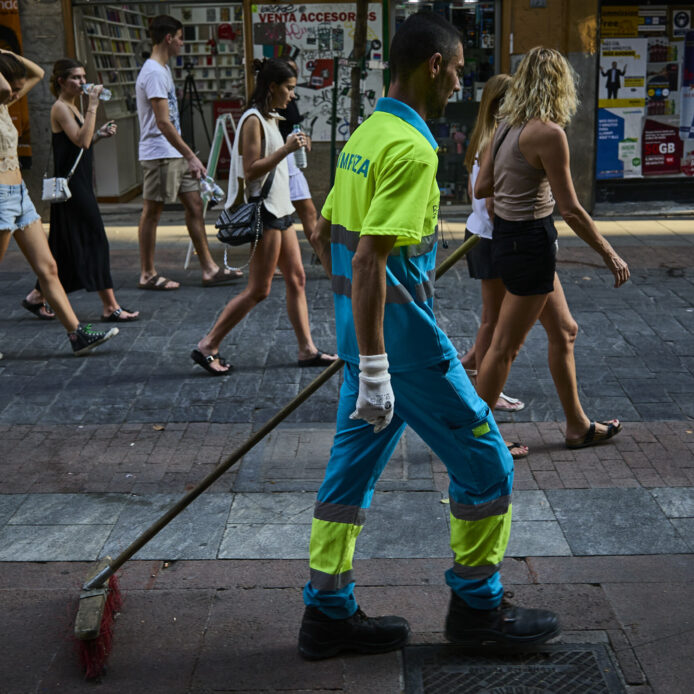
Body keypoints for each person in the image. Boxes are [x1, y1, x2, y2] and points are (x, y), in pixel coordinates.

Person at [298, 13, 559, 661]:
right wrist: (384, 367)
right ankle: (478, 608)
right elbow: (365, 262)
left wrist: (364, 356)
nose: (460, 81)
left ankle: (326, 615)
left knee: (348, 476)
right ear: (435, 65)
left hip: (362, 342)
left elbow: (323, 230)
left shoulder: (366, 132)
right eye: (458, 66)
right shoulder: (414, 148)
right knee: (487, 465)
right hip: (402, 348)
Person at [475, 47, 630, 451]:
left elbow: (481, 188)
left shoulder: (505, 124)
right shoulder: (547, 133)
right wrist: (609, 253)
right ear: (561, 85)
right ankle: (473, 440)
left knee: (565, 330)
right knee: (504, 347)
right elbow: (572, 210)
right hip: (530, 243)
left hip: (511, 239)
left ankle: (577, 426)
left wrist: (521, 183)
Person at [191, 58, 337, 375]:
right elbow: (250, 170)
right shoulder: (252, 120)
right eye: (288, 88)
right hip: (267, 213)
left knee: (297, 278)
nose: (292, 95)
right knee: (259, 289)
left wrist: (293, 146)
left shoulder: (271, 117)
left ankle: (306, 349)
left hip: (282, 211)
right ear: (272, 87)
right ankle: (208, 345)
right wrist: (285, 149)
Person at [0, 51, 118, 355]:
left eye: (16, 88)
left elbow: (37, 73)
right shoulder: (2, 96)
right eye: (11, 87)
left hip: (21, 196)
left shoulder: (5, 104)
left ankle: (76, 334)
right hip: (0, 198)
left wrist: (3, 52)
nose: (15, 93)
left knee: (49, 267)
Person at [24, 59, 139, 323]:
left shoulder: (72, 108)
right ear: (61, 81)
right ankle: (110, 306)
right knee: (96, 239)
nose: (82, 82)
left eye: (83, 76)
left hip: (78, 182)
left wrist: (98, 134)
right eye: (75, 78)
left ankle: (36, 297)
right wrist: (94, 106)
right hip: (72, 188)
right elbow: (81, 140)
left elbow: (81, 142)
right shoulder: (61, 108)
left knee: (63, 245)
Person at [135, 14, 241, 291]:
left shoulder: (164, 70)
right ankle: (147, 273)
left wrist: (185, 155)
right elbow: (162, 122)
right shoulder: (154, 73)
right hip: (160, 153)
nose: (183, 43)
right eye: (181, 38)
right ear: (169, 38)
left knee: (195, 205)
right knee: (152, 212)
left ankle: (209, 269)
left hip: (174, 152)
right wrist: (191, 155)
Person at [457, 74, 528, 461]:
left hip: (481, 236)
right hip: (490, 238)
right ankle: (487, 386)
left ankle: (475, 370)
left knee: (492, 319)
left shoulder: (486, 134)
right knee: (493, 321)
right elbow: (488, 203)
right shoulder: (495, 138)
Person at [276, 58, 318, 251]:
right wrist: (286, 148)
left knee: (306, 211)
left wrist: (303, 136)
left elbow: (294, 124)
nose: (292, 94)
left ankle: (323, 255)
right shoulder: (264, 111)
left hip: (291, 157)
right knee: (283, 215)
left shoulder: (288, 98)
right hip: (281, 160)